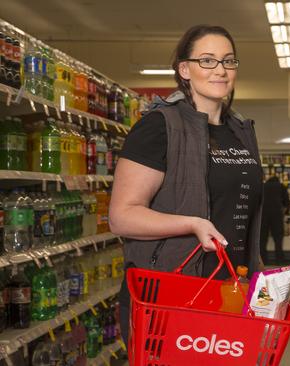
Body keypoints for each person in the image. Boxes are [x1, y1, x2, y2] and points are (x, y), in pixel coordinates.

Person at [109, 25, 264, 342]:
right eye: (207, 60)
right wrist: (192, 223)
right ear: (184, 69)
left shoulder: (240, 130)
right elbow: (121, 216)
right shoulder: (160, 126)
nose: (220, 70)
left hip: (230, 291)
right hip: (170, 293)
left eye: (228, 61)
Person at [260, 175, 289, 264]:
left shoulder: (263, 186)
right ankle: (280, 260)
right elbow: (286, 203)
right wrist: (283, 212)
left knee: (262, 239)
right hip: (276, 214)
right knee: (278, 239)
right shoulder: (281, 186)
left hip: (263, 215)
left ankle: (263, 260)